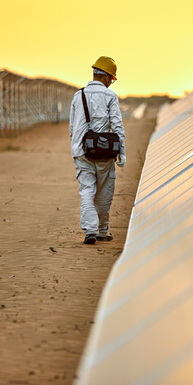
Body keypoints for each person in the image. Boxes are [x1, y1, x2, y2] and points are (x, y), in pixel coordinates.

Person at [69, 56, 126, 245]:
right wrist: (122, 152)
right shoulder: (110, 96)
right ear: (107, 77)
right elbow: (117, 126)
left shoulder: (79, 95)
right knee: (104, 192)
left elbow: (72, 127)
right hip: (103, 152)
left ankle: (90, 231)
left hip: (81, 151)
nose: (111, 82)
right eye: (112, 79)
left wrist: (78, 146)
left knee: (86, 190)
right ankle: (102, 231)